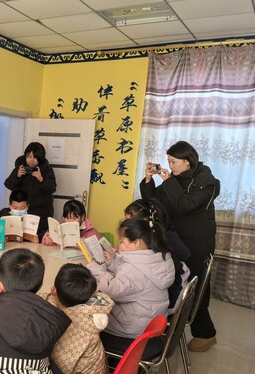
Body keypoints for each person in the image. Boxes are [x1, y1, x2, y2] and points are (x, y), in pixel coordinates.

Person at [140, 141, 220, 352]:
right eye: (168, 161)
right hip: (177, 241)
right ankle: (171, 330)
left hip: (197, 244)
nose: (170, 165)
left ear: (187, 162)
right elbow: (154, 201)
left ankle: (204, 334)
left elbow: (186, 205)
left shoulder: (206, 180)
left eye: (173, 161)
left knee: (194, 287)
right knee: (176, 285)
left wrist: (168, 181)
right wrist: (148, 180)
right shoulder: (175, 180)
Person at [88, 218, 174, 347]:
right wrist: (111, 262)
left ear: (137, 243)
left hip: (131, 329)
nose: (120, 246)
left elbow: (111, 289)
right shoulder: (157, 258)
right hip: (149, 321)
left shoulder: (134, 271)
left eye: (122, 242)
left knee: (86, 305)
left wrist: (95, 268)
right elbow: (130, 272)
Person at [40, 263, 114, 374]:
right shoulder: (88, 304)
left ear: (53, 289)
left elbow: (57, 372)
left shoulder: (75, 331)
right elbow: (49, 298)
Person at [124, 198, 190, 311]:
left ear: (145, 220)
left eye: (130, 222)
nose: (127, 227)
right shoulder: (161, 233)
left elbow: (142, 265)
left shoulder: (158, 240)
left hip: (170, 297)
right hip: (172, 289)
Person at [4, 142, 57, 235]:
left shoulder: (47, 169)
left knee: (38, 239)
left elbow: (52, 188)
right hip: (21, 211)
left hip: (41, 213)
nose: (32, 160)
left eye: (36, 157)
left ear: (41, 158)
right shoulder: (19, 168)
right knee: (19, 236)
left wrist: (41, 179)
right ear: (25, 156)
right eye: (29, 156)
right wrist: (17, 176)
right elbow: (8, 185)